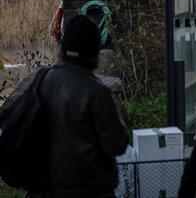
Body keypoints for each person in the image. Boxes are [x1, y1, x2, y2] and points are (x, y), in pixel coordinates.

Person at [38, 15, 129, 196]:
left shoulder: (39, 81)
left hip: (47, 189)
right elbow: (117, 144)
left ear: (63, 47)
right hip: (90, 189)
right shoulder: (97, 92)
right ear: (95, 51)